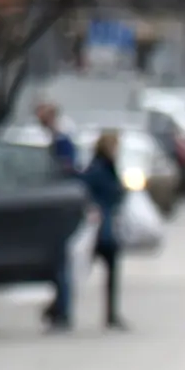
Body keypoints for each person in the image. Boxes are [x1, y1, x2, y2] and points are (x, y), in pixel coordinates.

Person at [36, 101, 78, 330]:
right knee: (57, 264)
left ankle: (62, 310)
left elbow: (67, 172)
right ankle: (58, 308)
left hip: (58, 209)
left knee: (61, 263)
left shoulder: (61, 141)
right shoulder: (52, 139)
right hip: (53, 207)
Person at [79, 130, 128, 330]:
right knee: (79, 270)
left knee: (102, 272)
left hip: (104, 229)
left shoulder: (103, 167)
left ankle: (111, 314)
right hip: (100, 230)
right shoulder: (100, 169)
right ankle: (110, 315)